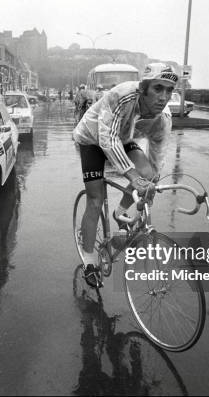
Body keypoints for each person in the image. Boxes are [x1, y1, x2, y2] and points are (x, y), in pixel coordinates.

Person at [72, 63, 178, 286]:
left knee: (148, 175)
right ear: (144, 87)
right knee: (95, 199)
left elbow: (156, 159)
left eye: (169, 90)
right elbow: (107, 140)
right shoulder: (121, 95)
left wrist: (150, 185)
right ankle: (89, 262)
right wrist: (132, 177)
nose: (164, 97)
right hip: (92, 138)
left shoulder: (163, 119)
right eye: (158, 88)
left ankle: (120, 213)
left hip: (124, 139)